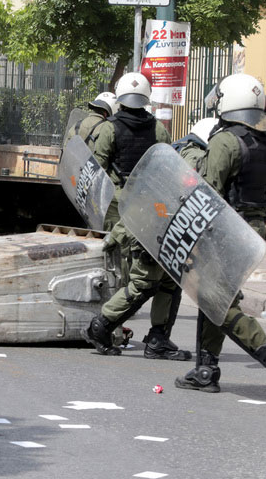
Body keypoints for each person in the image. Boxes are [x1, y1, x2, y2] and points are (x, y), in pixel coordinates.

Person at [175, 73, 266, 401]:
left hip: (226, 229)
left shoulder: (225, 141)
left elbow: (210, 191)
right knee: (215, 296)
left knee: (216, 300)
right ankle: (206, 370)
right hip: (253, 230)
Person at [82, 73, 190, 360]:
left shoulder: (108, 129)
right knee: (156, 277)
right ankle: (113, 327)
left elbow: (97, 172)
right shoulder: (159, 129)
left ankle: (143, 334)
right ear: (146, 98)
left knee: (129, 272)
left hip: (120, 208)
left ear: (119, 97)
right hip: (154, 207)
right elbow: (168, 169)